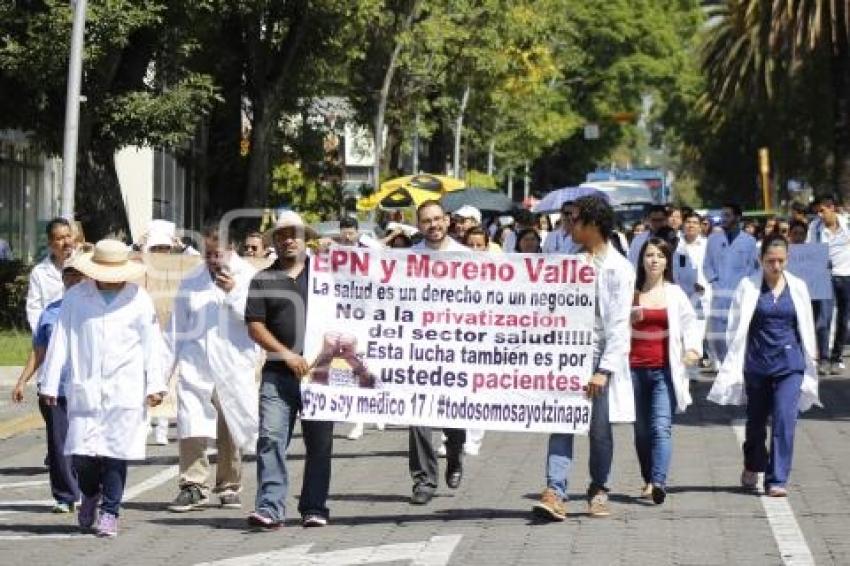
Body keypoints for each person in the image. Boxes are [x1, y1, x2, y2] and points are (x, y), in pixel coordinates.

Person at [39, 239, 166, 538]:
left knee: (115, 453)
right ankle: (90, 495)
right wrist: (49, 381)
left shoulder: (139, 298)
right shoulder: (76, 298)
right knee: (82, 455)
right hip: (85, 387)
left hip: (126, 389)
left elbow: (153, 346)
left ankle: (110, 511)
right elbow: (61, 340)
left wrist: (156, 384)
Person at [533, 196, 635, 521]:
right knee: (560, 420)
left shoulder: (619, 268)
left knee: (599, 428)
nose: (569, 226)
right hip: (568, 355)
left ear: (593, 224)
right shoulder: (569, 261)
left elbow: (619, 325)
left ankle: (599, 488)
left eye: (575, 220)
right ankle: (555, 490)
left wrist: (604, 370)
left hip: (600, 359)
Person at [708, 235, 820, 496]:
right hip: (757, 363)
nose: (777, 266)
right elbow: (735, 328)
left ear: (788, 260)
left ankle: (777, 479)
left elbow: (805, 324)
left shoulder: (799, 287)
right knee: (756, 422)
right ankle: (753, 462)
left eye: (781, 261)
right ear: (761, 260)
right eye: (771, 261)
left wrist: (812, 354)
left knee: (784, 419)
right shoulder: (748, 286)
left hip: (790, 364)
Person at [245, 210, 334, 529]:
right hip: (278, 373)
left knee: (320, 445)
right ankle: (270, 507)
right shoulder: (263, 279)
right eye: (282, 235)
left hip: (320, 374)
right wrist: (285, 354)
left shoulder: (328, 274)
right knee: (270, 437)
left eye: (294, 234)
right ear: (276, 242)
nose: (289, 240)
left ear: (305, 238)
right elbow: (254, 325)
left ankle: (314, 507)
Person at [166, 222, 260, 513]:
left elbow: (258, 319)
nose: (211, 259)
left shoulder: (249, 276)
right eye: (207, 253)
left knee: (230, 424)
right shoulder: (191, 279)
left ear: (231, 248)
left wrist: (234, 293)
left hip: (234, 363)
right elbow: (175, 329)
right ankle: (193, 486)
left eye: (216, 253)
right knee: (190, 422)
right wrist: (161, 376)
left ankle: (229, 485)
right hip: (196, 363)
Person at [630, 237, 701, 505]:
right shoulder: (632, 291)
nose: (654, 260)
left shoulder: (675, 293)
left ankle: (658, 482)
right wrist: (627, 318)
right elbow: (612, 326)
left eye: (660, 255)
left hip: (663, 371)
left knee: (661, 428)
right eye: (649, 255)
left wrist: (693, 349)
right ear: (642, 260)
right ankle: (648, 478)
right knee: (641, 432)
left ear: (667, 261)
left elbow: (691, 323)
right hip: (634, 371)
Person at [12, 258, 86, 513]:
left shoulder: (95, 309)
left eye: (79, 275)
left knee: (87, 445)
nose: (74, 280)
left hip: (86, 388)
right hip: (55, 388)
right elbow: (39, 351)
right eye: (69, 275)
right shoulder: (51, 311)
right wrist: (23, 381)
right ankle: (65, 496)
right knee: (58, 444)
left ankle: (90, 492)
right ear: (63, 279)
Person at [408, 200, 467, 505]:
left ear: (447, 220)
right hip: (418, 348)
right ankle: (424, 480)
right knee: (418, 415)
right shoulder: (406, 259)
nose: (433, 225)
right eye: (426, 221)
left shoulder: (468, 257)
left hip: (456, 348)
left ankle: (455, 454)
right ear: (419, 226)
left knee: (453, 415)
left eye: (437, 219)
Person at [704, 203, 759, 364]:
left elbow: (754, 267)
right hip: (719, 293)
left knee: (739, 333)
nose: (723, 219)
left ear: (737, 217)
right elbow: (707, 264)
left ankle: (737, 368)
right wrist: (714, 281)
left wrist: (746, 287)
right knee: (718, 335)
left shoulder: (749, 241)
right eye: (722, 215)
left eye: (727, 215)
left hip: (740, 294)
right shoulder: (713, 240)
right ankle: (724, 365)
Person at [806, 194, 850, 375]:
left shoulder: (847, 224)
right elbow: (810, 251)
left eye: (822, 211)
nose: (820, 215)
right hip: (824, 277)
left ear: (832, 207)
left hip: (846, 276)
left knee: (844, 320)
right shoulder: (815, 228)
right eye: (818, 212)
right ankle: (823, 358)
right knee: (823, 319)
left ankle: (836, 356)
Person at [26, 218, 75, 331]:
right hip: (51, 331)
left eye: (68, 236)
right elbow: (34, 308)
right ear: (50, 242)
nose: (67, 242)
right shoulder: (39, 272)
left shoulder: (83, 265)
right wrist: (40, 336)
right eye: (60, 238)